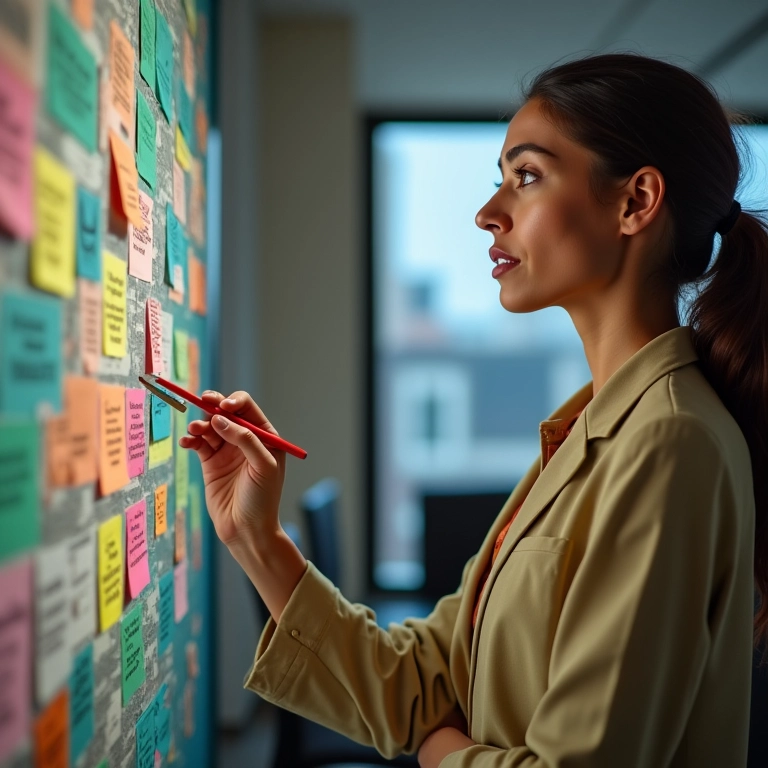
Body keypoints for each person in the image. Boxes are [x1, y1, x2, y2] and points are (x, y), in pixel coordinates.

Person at [180, 52, 768, 767]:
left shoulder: (669, 441)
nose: (488, 213)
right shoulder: (595, 429)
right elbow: (422, 681)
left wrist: (437, 752)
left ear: (636, 202)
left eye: (526, 176)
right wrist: (256, 537)